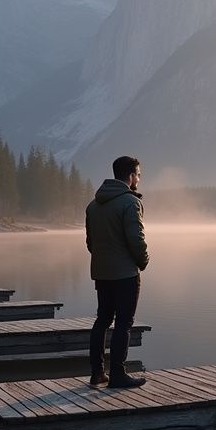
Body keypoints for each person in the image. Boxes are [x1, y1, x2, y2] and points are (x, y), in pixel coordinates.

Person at [86, 155, 148, 389]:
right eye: (138, 175)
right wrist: (143, 261)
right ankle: (118, 374)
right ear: (130, 176)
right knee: (124, 322)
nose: (139, 179)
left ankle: (97, 373)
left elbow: (91, 243)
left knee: (102, 320)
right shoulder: (130, 203)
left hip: (101, 273)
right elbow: (136, 239)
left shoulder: (93, 205)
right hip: (125, 274)